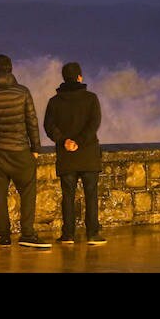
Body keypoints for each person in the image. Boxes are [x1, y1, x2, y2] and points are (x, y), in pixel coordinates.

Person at [0, 54, 51, 248]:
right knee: (27, 192)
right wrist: (36, 148)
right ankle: (27, 233)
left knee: (0, 195)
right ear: (10, 68)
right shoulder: (23, 92)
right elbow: (31, 121)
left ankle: (4, 236)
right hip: (20, 150)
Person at [43, 61, 106, 245]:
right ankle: (92, 233)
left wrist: (65, 142)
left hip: (66, 155)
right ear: (80, 77)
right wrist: (80, 141)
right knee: (91, 195)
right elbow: (94, 124)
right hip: (88, 154)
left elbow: (49, 127)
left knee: (68, 196)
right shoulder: (91, 98)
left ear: (64, 78)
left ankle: (68, 234)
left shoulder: (54, 102)